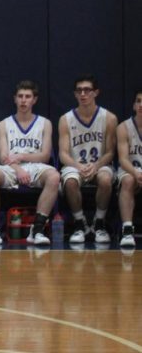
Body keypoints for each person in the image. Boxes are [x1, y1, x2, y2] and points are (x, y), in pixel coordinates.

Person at [0, 80, 59, 247]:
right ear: (15, 99)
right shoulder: (3, 124)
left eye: (27, 97)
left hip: (36, 166)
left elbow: (44, 156)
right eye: (20, 96)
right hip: (10, 168)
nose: (23, 100)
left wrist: (21, 156)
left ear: (34, 100)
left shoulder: (45, 123)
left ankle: (37, 229)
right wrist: (18, 169)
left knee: (54, 176)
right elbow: (3, 157)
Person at [57, 75, 117, 245]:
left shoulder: (109, 118)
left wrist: (96, 165)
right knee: (70, 182)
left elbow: (110, 152)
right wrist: (78, 166)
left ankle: (99, 223)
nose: (83, 94)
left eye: (87, 90)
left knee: (105, 180)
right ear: (75, 94)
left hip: (101, 164)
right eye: (79, 90)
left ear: (96, 93)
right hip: (74, 165)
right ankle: (79, 223)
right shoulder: (65, 119)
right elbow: (63, 154)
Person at [116, 88, 142, 248]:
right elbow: (123, 159)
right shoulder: (124, 127)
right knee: (127, 180)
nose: (141, 105)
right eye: (138, 101)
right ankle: (127, 229)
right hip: (130, 170)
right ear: (133, 105)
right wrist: (136, 173)